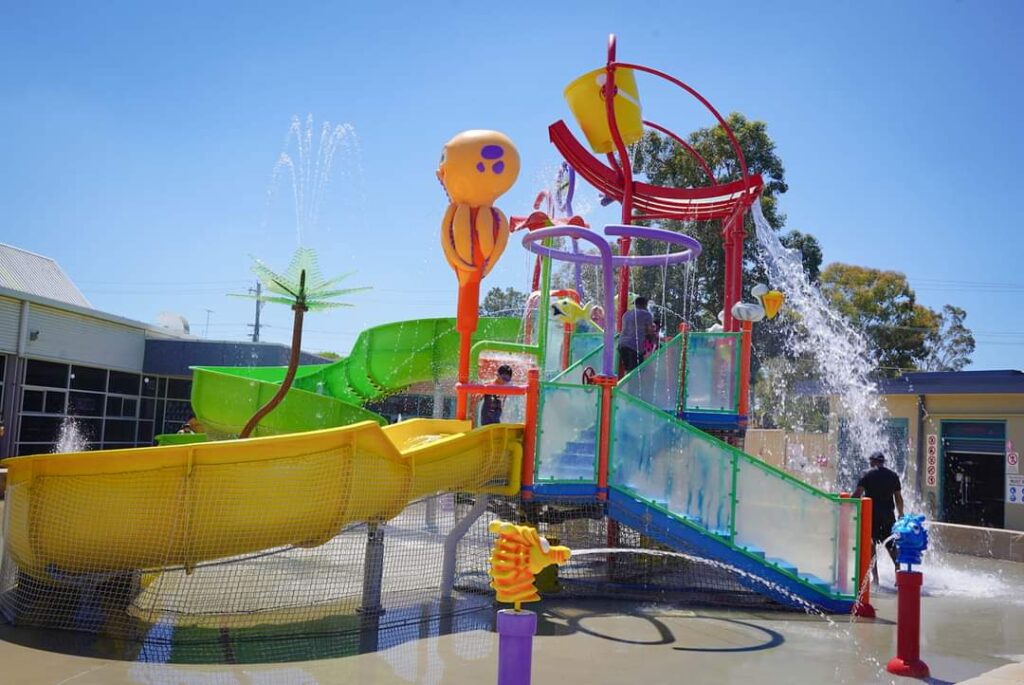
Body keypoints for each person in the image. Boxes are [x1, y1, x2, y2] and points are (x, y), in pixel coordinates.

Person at [853, 451, 904, 584]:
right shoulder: (893, 476)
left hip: (872, 515)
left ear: (873, 461)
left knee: (871, 545)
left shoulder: (867, 474)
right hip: (888, 516)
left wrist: (848, 504)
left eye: (870, 461)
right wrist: (901, 514)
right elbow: (898, 497)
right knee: (891, 545)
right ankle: (898, 573)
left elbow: (858, 493)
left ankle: (875, 578)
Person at [617, 296, 656, 374]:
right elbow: (649, 330)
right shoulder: (646, 314)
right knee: (636, 373)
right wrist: (653, 339)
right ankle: (632, 386)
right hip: (634, 346)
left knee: (628, 370)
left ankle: (626, 385)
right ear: (645, 305)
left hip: (622, 344)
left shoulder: (626, 314)